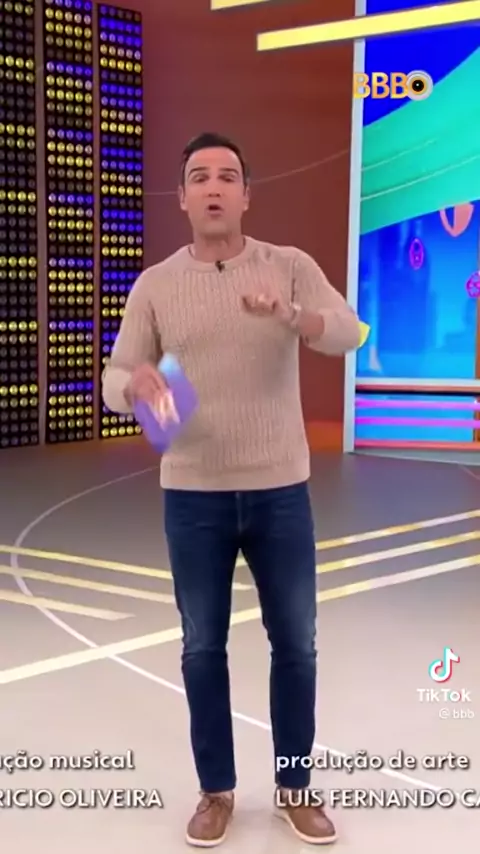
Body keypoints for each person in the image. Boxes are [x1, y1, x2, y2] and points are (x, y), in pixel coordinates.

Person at [102, 132, 361, 847]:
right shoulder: (155, 285)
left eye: (227, 177)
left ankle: (294, 787)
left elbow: (348, 332)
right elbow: (114, 378)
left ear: (246, 195)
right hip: (193, 496)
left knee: (297, 644)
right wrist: (134, 386)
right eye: (199, 177)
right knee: (201, 647)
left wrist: (293, 318)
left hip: (281, 492)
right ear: (182, 197)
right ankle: (215, 791)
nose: (213, 187)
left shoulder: (289, 266)